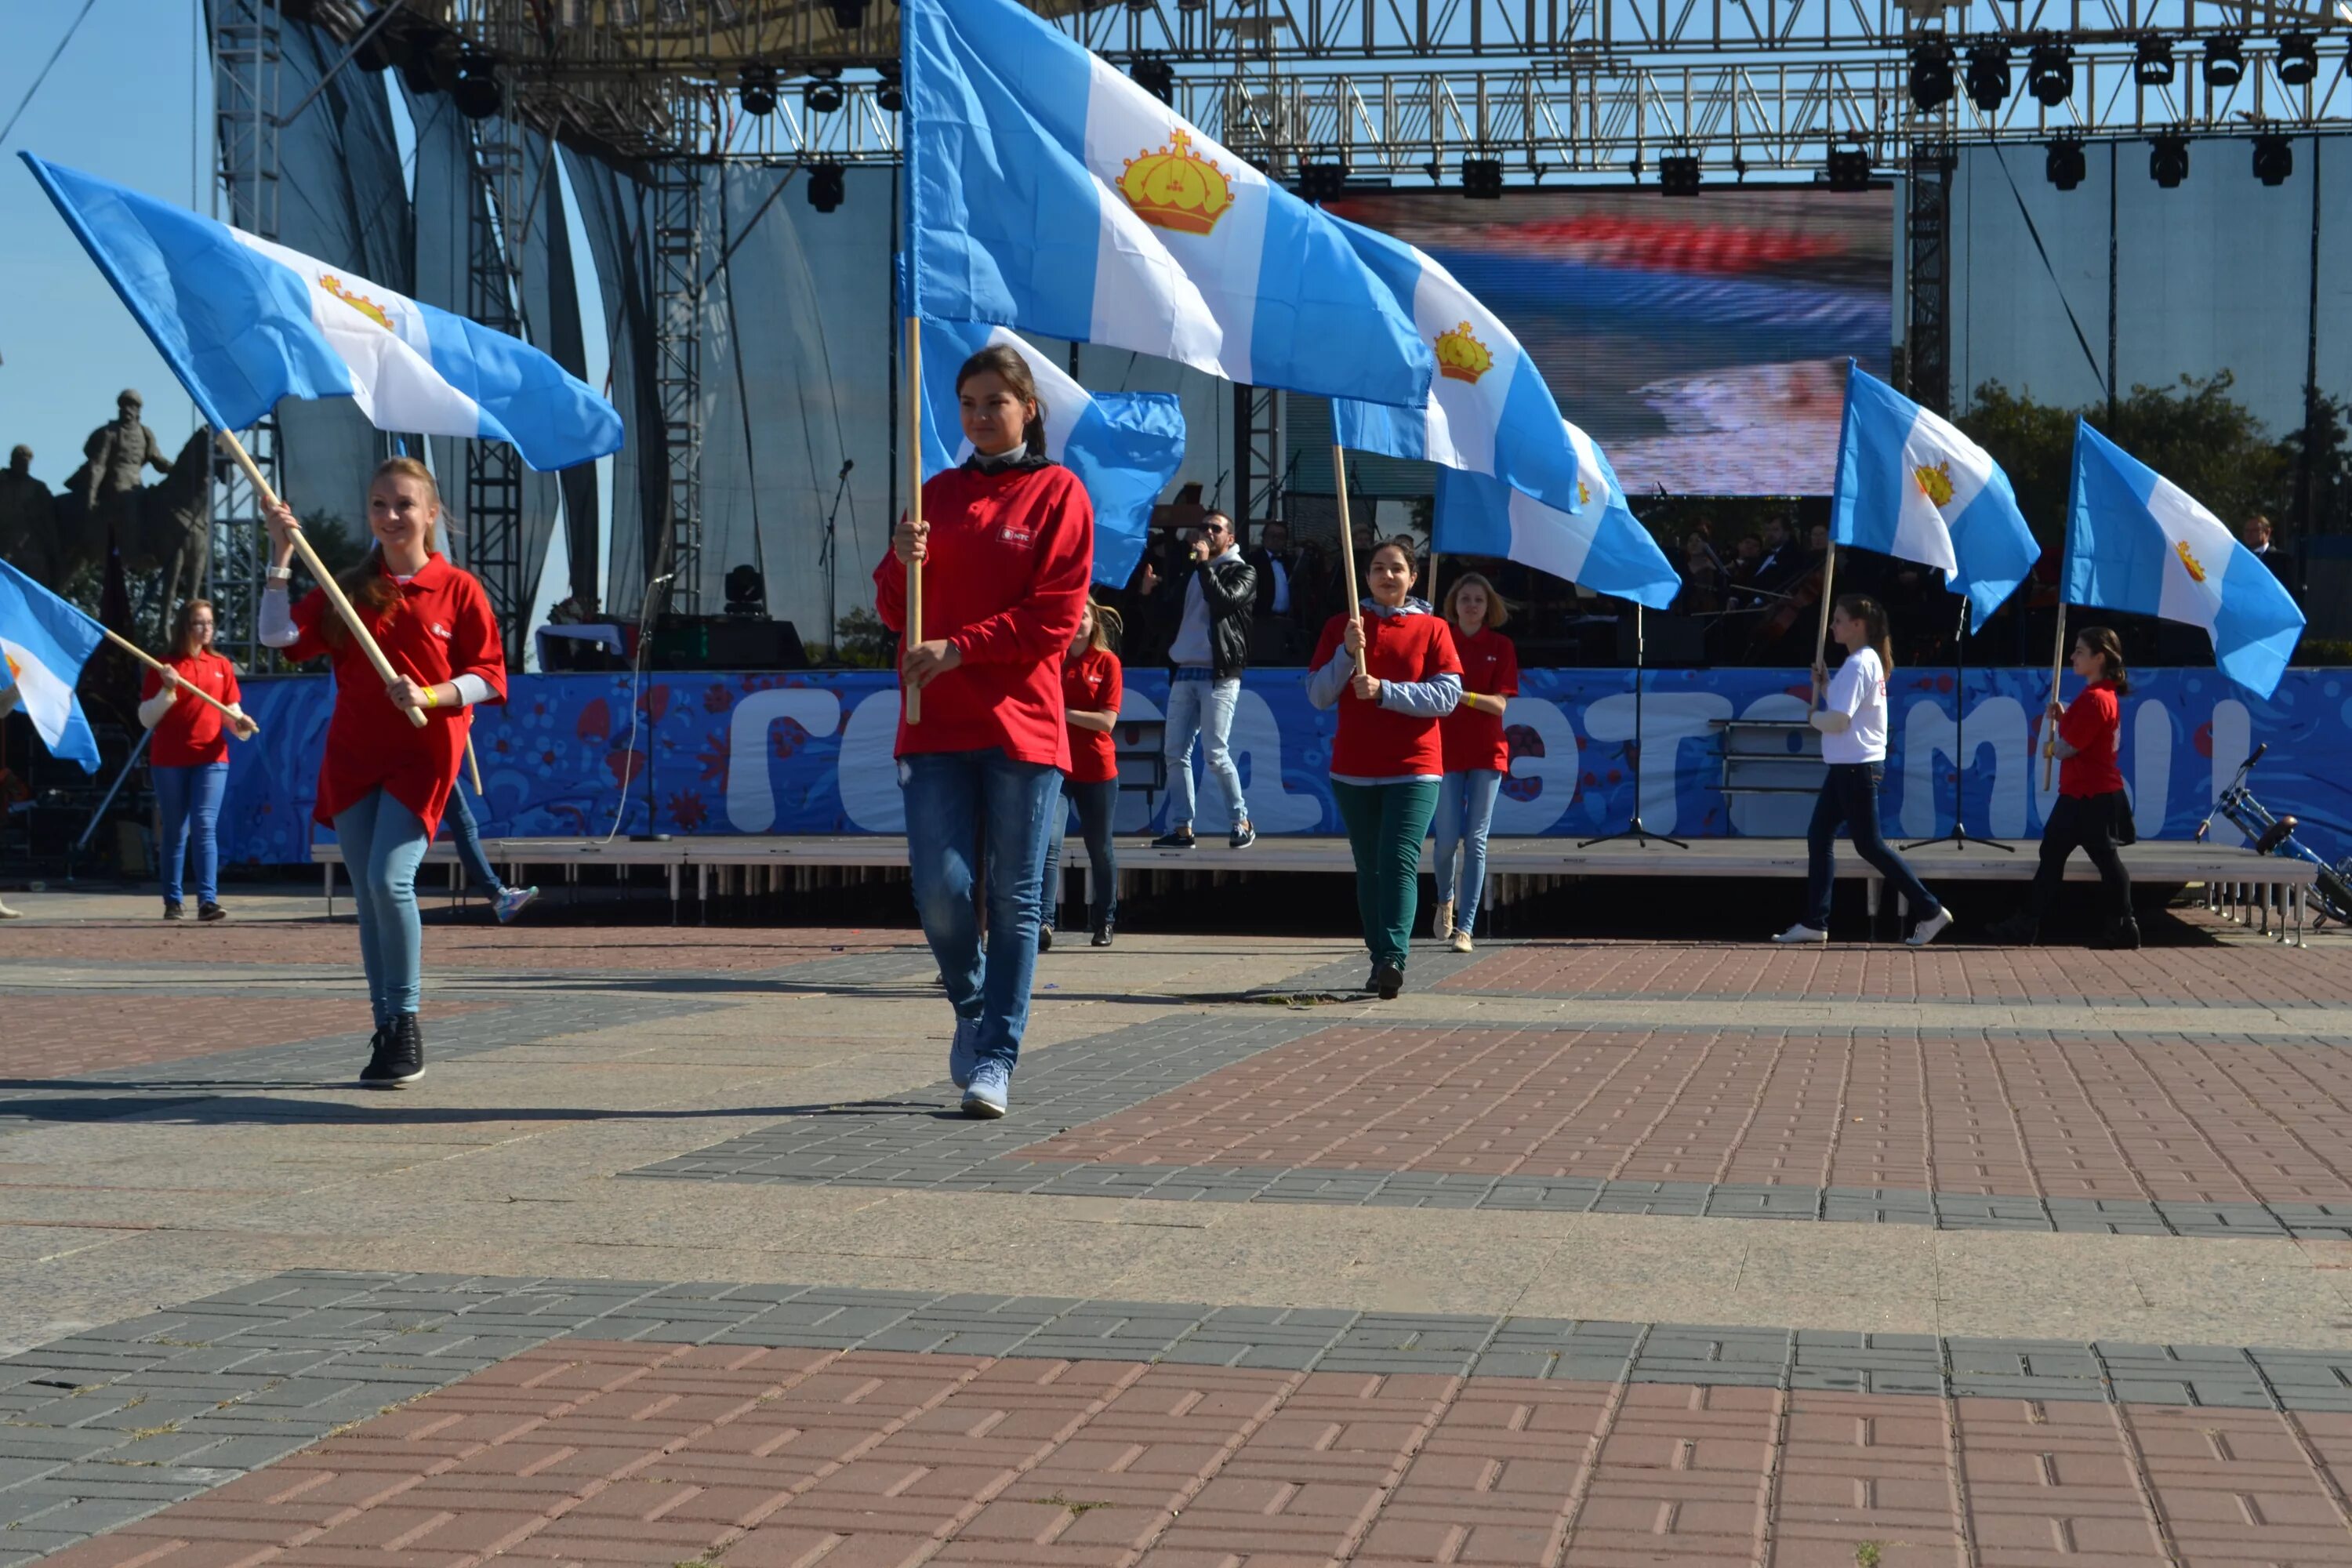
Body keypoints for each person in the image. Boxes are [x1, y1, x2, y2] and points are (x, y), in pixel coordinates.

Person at [875, 343, 1091, 1120]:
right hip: (933, 722)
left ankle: (997, 1054)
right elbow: (897, 612)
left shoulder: (1059, 493)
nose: (978, 417)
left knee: (1017, 896)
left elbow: (1057, 617)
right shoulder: (933, 493)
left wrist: (963, 646)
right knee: (940, 888)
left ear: (1028, 408)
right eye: (967, 404)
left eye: (994, 402)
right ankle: (970, 1005)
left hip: (1024, 726)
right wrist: (902, 563)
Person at [260, 457, 507, 1088]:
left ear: (431, 513)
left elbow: (489, 676)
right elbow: (278, 636)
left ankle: (406, 1021)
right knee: (367, 895)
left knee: (389, 880)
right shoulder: (346, 586)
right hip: (352, 756)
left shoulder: (459, 588)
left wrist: (432, 695)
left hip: (423, 754)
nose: (390, 516)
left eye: (403, 505)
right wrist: (281, 554)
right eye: (378, 504)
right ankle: (385, 1029)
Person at [1308, 536, 1462, 999]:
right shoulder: (1343, 625)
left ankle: (1394, 956)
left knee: (1399, 860)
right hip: (1353, 769)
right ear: (1366, 577)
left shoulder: (1433, 629)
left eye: (1396, 568)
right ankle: (1378, 960)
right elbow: (1318, 695)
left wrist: (1387, 691)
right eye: (1378, 567)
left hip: (1414, 767)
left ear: (1412, 577)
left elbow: (1448, 696)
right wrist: (1344, 650)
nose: (1386, 575)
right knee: (1369, 866)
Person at [1774, 595, 1955, 947]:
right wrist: (1826, 686)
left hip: (1856, 765)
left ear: (1858, 625)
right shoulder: (1859, 662)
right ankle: (1815, 921)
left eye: (1839, 620)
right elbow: (1844, 709)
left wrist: (1812, 718)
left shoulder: (1860, 663)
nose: (1833, 626)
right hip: (1848, 764)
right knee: (1821, 835)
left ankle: (1930, 910)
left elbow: (1838, 721)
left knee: (1869, 844)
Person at [1990, 627, 2139, 949]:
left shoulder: (2097, 698)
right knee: (2063, 857)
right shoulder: (2099, 697)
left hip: (2090, 795)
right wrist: (2066, 718)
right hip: (2084, 792)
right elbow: (2082, 735)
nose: (2073, 656)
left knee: (2099, 860)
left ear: (2099, 658)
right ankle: (2029, 923)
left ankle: (2123, 924)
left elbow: (2070, 747)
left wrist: (2053, 746)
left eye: (2080, 651)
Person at [137, 598, 257, 921]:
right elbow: (147, 718)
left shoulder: (221, 665)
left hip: (212, 757)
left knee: (205, 825)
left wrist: (241, 725)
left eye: (210, 623)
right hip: (170, 759)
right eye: (199, 623)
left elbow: (231, 714)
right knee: (176, 829)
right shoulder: (163, 666)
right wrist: (167, 690)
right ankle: (173, 900)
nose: (206, 629)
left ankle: (207, 900)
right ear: (185, 627)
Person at [1154, 510, 1258, 850]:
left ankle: (1241, 821)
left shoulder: (1243, 571)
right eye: (1204, 527)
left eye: (1217, 529)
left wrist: (1202, 566)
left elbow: (1224, 603)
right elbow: (1170, 617)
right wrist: (1149, 594)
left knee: (1215, 752)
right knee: (1174, 753)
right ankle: (1183, 828)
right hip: (1185, 672)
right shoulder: (1192, 571)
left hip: (1219, 675)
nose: (1208, 532)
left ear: (1230, 538)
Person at [1432, 572, 1518, 954]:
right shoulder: (1439, 638)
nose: (1471, 605)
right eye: (1464, 598)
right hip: (1445, 751)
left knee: (1476, 841)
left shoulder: (1501, 645)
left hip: (1487, 751)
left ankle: (1466, 928)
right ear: (1454, 602)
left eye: (1478, 600)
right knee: (1446, 840)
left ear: (1488, 606)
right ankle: (1445, 900)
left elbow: (1499, 703)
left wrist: (1460, 695)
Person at [1039, 597, 1123, 949]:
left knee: (1099, 848)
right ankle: (1043, 922)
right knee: (1049, 845)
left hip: (1097, 769)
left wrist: (1063, 711)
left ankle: (1104, 919)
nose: (1078, 621)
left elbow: (1107, 721)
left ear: (1094, 623)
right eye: (1073, 615)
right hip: (1057, 766)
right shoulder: (1053, 661)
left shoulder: (1107, 663)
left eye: (1084, 615)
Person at [440, 780, 539, 923]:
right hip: (428, 765)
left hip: (424, 766)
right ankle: (498, 896)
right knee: (464, 827)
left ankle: (498, 896)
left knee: (463, 826)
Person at [2241, 514, 2299, 600]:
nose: (2249, 534)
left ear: (2267, 532)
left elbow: (2287, 591)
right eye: (2247, 531)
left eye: (2254, 530)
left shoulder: (2282, 559)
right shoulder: (2242, 559)